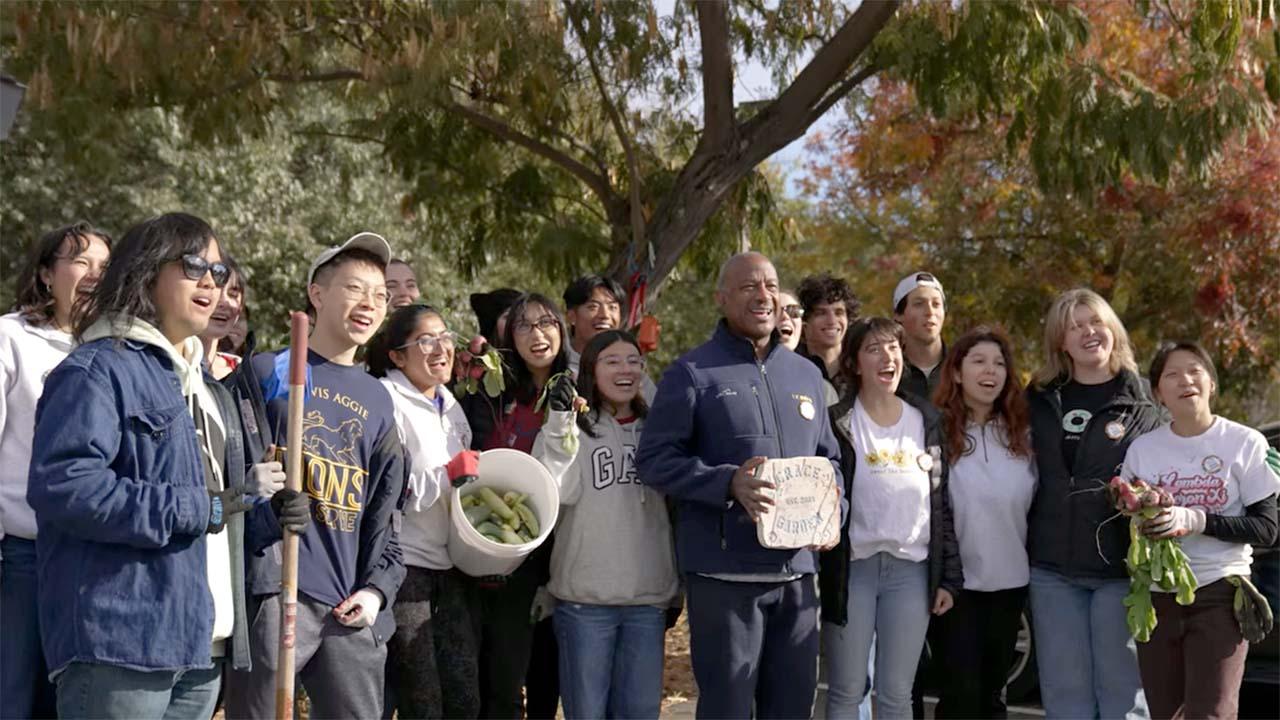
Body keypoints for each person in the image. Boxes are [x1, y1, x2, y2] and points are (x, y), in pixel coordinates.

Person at [26, 213, 308, 719]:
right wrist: (198, 507)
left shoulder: (212, 392)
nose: (211, 281)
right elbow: (67, 488)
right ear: (145, 271)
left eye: (219, 272)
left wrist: (264, 518)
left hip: (203, 645)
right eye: (195, 263)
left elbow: (215, 517)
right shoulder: (95, 370)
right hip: (121, 643)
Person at [636, 251, 843, 719]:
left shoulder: (806, 375)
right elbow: (653, 460)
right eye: (749, 286)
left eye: (771, 285)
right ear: (722, 298)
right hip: (725, 579)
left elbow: (830, 461)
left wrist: (834, 515)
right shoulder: (692, 373)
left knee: (791, 710)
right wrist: (726, 483)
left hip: (798, 576)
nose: (764, 295)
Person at [225, 232, 407, 719]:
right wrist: (264, 508)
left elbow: (387, 512)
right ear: (318, 294)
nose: (369, 303)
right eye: (354, 288)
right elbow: (225, 469)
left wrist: (376, 591)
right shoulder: (269, 370)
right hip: (277, 591)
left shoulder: (379, 398)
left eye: (380, 295)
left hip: (348, 603)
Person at [1121, 341, 1280, 720]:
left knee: (1211, 713)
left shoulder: (1244, 442)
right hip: (1157, 599)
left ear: (1211, 383)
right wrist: (1135, 507)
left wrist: (1195, 519)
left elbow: (1266, 528)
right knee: (1166, 713)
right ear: (1158, 393)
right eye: (1171, 375)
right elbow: (1124, 506)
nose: (1185, 380)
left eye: (1195, 370)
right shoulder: (1143, 449)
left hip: (1220, 595)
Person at [1026, 288, 1161, 720]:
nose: (1088, 333)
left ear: (1112, 330)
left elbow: (1169, 469)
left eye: (1096, 322)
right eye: (1074, 327)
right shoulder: (1038, 400)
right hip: (1051, 570)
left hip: (1117, 572)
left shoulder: (1145, 402)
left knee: (1123, 698)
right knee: (1065, 697)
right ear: (1059, 343)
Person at [818, 317, 962, 720]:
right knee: (848, 690)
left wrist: (948, 577)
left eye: (894, 347)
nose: (888, 357)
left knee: (897, 693)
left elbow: (941, 505)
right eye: (874, 349)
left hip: (911, 573)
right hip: (853, 569)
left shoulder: (926, 420)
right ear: (855, 363)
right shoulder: (838, 421)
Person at [535, 330, 678, 720]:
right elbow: (554, 491)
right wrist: (560, 424)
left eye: (633, 361)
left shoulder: (660, 432)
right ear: (591, 371)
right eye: (612, 361)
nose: (625, 370)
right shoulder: (570, 428)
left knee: (640, 713)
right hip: (584, 601)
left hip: (647, 599)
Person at [1, 221, 110, 720]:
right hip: (20, 557)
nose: (93, 274)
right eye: (80, 261)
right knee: (12, 697)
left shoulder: (112, 350)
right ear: (47, 274)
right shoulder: (11, 338)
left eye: (104, 266)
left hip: (90, 564)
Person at [459, 292, 576, 719]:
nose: (537, 334)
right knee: (477, 679)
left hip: (538, 561)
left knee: (518, 682)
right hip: (474, 549)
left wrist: (564, 418)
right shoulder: (488, 390)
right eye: (523, 325)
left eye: (546, 323)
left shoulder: (577, 393)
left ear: (562, 330)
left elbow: (560, 482)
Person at [367, 304, 481, 719]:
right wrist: (449, 473)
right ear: (397, 356)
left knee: (465, 695)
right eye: (425, 340)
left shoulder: (450, 404)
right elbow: (390, 489)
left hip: (449, 565)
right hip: (404, 566)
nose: (441, 348)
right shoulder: (386, 398)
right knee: (422, 700)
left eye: (445, 337)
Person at [929, 327, 1036, 719]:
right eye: (978, 361)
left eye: (999, 363)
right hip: (956, 589)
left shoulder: (1023, 433)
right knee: (960, 697)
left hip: (1010, 586)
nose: (990, 371)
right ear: (956, 373)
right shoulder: (936, 430)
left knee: (994, 698)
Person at [796, 272, 860, 385]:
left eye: (838, 313)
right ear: (804, 322)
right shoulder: (790, 366)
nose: (832, 321)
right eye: (821, 313)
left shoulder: (861, 369)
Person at [893, 271, 947, 402]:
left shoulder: (961, 368)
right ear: (899, 315)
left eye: (936, 304)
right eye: (919, 304)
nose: (930, 312)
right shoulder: (888, 372)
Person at [562, 274, 625, 377]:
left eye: (612, 307)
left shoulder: (629, 366)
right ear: (571, 317)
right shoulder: (555, 366)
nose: (605, 315)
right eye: (593, 307)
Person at [199, 254, 245, 380]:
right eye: (214, 290)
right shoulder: (166, 367)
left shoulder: (244, 373)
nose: (224, 302)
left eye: (233, 294)